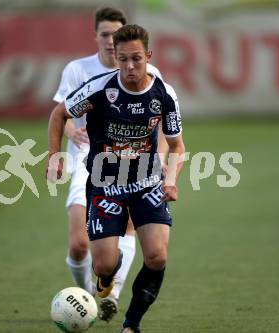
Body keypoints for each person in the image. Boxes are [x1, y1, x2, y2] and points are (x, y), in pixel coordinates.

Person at [47, 24, 185, 333]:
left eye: (136, 58)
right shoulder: (98, 89)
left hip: (146, 183)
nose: (129, 66)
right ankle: (106, 277)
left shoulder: (164, 94)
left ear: (148, 56)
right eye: (123, 59)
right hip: (104, 183)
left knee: (157, 256)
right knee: (105, 265)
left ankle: (131, 325)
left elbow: (177, 145)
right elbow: (59, 114)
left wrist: (171, 179)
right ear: (116, 57)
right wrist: (54, 155)